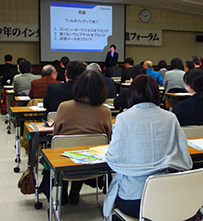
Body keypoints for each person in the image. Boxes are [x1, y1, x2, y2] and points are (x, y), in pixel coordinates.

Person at [103, 74, 193, 219]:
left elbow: (114, 158)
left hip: (133, 198)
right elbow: (184, 156)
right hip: (167, 195)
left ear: (132, 93)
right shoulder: (170, 118)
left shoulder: (123, 118)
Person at [53, 70, 112, 205]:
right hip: (94, 165)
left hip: (63, 163)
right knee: (85, 151)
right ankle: (75, 193)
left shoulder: (64, 107)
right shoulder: (105, 111)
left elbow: (55, 135)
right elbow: (109, 138)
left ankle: (62, 194)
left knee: (69, 151)